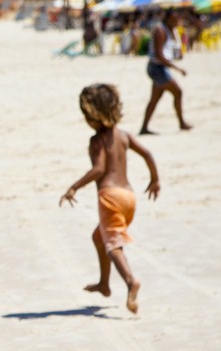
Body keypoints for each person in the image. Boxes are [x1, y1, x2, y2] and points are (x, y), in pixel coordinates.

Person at [60, 84, 160, 315]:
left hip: (110, 196)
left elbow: (99, 169)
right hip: (129, 197)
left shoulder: (97, 141)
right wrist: (155, 180)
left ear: (94, 116)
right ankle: (104, 283)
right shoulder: (123, 136)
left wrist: (74, 187)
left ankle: (130, 281)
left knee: (112, 242)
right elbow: (147, 154)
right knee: (99, 236)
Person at [140, 9, 190, 135]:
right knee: (178, 92)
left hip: (158, 67)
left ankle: (144, 128)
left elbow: (167, 52)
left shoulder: (169, 31)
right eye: (174, 19)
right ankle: (182, 123)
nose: (177, 22)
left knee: (155, 99)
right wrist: (178, 69)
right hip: (157, 68)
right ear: (168, 19)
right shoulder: (160, 31)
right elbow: (159, 55)